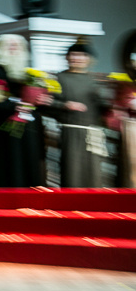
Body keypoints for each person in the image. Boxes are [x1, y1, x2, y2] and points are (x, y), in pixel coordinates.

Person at [0, 34, 50, 187]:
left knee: (30, 163)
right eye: (9, 45)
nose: (13, 48)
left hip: (29, 128)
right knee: (12, 166)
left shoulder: (29, 73)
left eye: (17, 45)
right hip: (8, 128)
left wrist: (41, 100)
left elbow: (36, 99)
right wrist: (14, 106)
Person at [48, 43, 108, 187]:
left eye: (82, 55)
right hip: (71, 131)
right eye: (73, 54)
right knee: (72, 171)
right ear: (67, 58)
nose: (77, 58)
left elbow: (102, 107)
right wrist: (64, 105)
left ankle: (93, 205)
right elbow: (46, 103)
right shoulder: (59, 78)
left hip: (92, 133)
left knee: (93, 172)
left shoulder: (94, 80)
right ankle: (71, 205)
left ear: (88, 59)